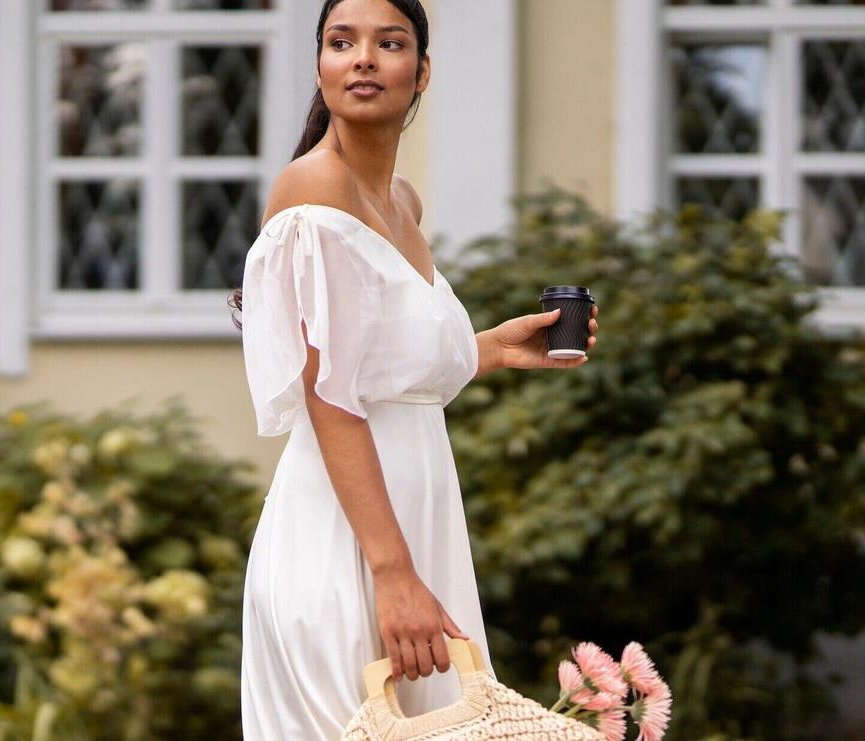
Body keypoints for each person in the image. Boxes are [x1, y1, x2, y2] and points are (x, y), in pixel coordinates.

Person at [230, 0, 596, 737]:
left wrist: (491, 348)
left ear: (421, 70)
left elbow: (384, 370)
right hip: (345, 550)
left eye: (388, 42)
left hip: (419, 535)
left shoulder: (402, 203)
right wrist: (393, 576)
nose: (362, 57)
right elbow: (331, 397)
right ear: (320, 67)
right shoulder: (311, 190)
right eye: (342, 42)